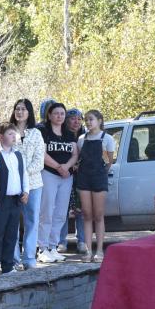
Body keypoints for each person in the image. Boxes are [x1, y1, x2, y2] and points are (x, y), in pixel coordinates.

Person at [37, 102, 77, 263]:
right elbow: (42, 153)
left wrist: (66, 167)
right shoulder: (44, 131)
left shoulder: (68, 133)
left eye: (62, 113)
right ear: (49, 115)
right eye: (56, 113)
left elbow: (75, 154)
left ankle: (53, 246)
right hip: (49, 174)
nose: (59, 116)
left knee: (61, 213)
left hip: (66, 177)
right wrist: (58, 167)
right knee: (46, 211)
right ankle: (42, 248)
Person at [75, 109, 115, 261]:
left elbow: (109, 161)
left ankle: (99, 250)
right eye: (86, 120)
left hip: (99, 178)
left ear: (99, 120)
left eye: (91, 119)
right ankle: (88, 251)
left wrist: (99, 174)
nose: (88, 122)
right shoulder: (81, 139)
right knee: (86, 214)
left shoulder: (107, 138)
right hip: (84, 178)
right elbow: (79, 158)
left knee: (98, 215)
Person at [11, 99, 44, 270]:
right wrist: (17, 176)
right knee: (13, 222)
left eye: (23, 109)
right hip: (13, 185)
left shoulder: (36, 133)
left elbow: (39, 161)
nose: (20, 112)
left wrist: (23, 173)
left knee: (32, 220)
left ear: (29, 112)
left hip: (34, 184)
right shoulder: (8, 132)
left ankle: (29, 258)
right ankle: (14, 260)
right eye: (17, 109)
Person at [0, 123, 28, 275]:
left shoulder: (18, 154)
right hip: (1, 200)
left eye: (15, 134)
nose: (14, 137)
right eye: (10, 134)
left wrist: (26, 191)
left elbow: (23, 174)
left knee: (11, 234)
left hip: (15, 200)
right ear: (0, 137)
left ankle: (8, 266)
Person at [61, 108, 87, 253]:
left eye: (79, 118)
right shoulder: (62, 135)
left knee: (81, 210)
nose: (76, 121)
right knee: (63, 209)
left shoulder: (86, 135)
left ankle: (82, 241)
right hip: (65, 175)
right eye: (72, 118)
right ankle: (61, 241)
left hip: (82, 177)